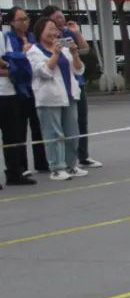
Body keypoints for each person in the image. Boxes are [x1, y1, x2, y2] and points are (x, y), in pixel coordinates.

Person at [42, 5, 102, 168]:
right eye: (57, 17)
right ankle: (61, 161)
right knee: (60, 126)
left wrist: (76, 32)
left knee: (80, 122)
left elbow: (85, 50)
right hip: (58, 86)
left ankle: (83, 156)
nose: (61, 20)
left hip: (76, 83)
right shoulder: (44, 38)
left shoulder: (68, 33)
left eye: (62, 16)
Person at [27, 16, 86, 181]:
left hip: (69, 95)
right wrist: (55, 53)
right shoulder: (34, 51)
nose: (54, 33)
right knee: (54, 134)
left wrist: (74, 54)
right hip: (49, 98)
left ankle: (71, 165)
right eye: (50, 29)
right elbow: (44, 72)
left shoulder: (64, 49)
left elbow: (78, 70)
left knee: (72, 133)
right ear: (40, 32)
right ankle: (57, 168)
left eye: (55, 29)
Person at [2, 7, 48, 179]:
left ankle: (42, 161)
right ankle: (20, 166)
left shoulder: (32, 37)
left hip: (35, 86)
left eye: (26, 18)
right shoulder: (8, 37)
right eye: (20, 19)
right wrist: (23, 54)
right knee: (18, 129)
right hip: (19, 88)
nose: (25, 22)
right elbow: (11, 59)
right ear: (12, 22)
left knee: (38, 126)